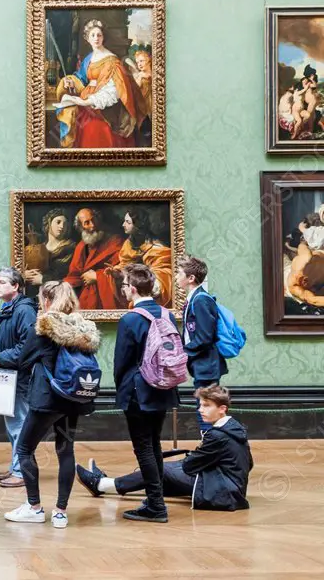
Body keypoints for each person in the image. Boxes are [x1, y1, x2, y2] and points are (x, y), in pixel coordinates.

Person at [2, 281, 99, 529]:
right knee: (65, 451)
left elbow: (23, 361)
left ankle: (34, 507)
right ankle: (60, 512)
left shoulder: (45, 329)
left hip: (47, 401)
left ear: (46, 301)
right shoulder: (82, 329)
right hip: (73, 399)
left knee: (24, 449)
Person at [77, 384, 253, 511]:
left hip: (222, 490)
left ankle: (100, 484)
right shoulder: (234, 427)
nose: (200, 410)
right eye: (200, 405)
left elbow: (189, 466)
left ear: (222, 409)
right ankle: (108, 483)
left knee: (162, 469)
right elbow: (248, 464)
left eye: (206, 405)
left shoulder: (217, 435)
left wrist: (197, 458)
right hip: (231, 487)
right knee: (164, 467)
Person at [114, 263, 180, 523]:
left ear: (132, 289)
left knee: (143, 448)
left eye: (124, 287)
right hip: (163, 388)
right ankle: (156, 499)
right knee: (154, 444)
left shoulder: (130, 319)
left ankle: (156, 506)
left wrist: (121, 392)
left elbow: (122, 362)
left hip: (138, 392)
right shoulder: (167, 314)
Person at [0, 267, 38, 488]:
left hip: (20, 377)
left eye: (3, 282)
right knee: (12, 426)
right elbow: (6, 341)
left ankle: (21, 472)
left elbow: (27, 346)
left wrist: (1, 357)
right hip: (8, 376)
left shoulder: (24, 311)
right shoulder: (7, 308)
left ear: (16, 286)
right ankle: (16, 466)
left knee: (20, 425)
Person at [53, 18, 146, 148]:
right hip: (84, 103)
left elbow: (113, 92)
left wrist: (85, 102)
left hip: (103, 111)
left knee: (95, 133)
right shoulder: (89, 58)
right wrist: (71, 82)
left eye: (99, 35)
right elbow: (81, 78)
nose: (96, 38)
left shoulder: (112, 61)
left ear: (103, 38)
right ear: (87, 38)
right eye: (93, 35)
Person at [176, 255, 228, 433]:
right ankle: (211, 445)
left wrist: (183, 352)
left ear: (191, 278)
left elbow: (205, 337)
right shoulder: (194, 298)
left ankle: (210, 445)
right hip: (202, 364)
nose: (176, 276)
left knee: (206, 408)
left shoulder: (201, 300)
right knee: (205, 406)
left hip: (207, 364)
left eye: (179, 273)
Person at [64, 208, 125, 310]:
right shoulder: (81, 247)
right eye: (87, 223)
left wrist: (97, 276)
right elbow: (74, 276)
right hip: (87, 299)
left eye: (93, 220)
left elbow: (123, 271)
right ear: (80, 227)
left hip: (109, 299)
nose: (92, 225)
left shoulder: (116, 242)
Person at [113, 208, 172, 307]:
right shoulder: (128, 244)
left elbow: (164, 274)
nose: (123, 224)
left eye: (128, 222)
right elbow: (125, 264)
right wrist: (117, 272)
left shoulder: (157, 248)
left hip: (150, 300)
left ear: (138, 226)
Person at [23, 208, 77, 296]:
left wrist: (43, 279)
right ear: (49, 223)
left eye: (65, 224)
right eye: (58, 222)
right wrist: (25, 274)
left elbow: (67, 275)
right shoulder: (39, 247)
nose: (62, 226)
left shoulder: (71, 248)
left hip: (59, 295)